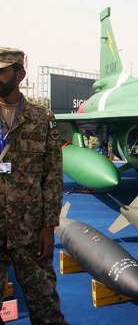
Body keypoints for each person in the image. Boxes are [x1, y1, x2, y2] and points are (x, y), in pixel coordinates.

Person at [0, 47, 68, 324]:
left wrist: (49, 226)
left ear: (20, 75)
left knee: (46, 308)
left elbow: (52, 176)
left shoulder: (42, 119)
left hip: (29, 231)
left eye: (1, 72)